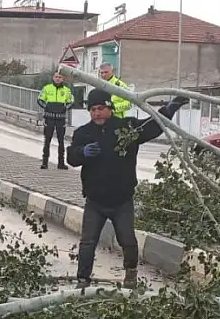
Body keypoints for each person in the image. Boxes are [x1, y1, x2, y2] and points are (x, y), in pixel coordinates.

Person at [66, 88, 188, 288]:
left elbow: (151, 127)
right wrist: (82, 152)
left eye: (100, 108)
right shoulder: (83, 133)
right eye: (92, 109)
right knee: (88, 242)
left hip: (122, 201)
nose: (96, 113)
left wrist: (169, 109)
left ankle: (130, 275)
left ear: (110, 108)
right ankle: (82, 280)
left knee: (128, 241)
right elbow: (71, 158)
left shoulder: (126, 127)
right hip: (95, 201)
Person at [37, 72, 73, 169]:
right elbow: (40, 99)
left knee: (61, 141)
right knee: (47, 140)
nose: (57, 79)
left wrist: (64, 108)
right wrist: (47, 107)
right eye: (56, 77)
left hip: (61, 119)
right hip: (49, 118)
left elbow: (71, 101)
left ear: (63, 79)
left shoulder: (67, 90)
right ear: (53, 78)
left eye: (60, 77)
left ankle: (61, 163)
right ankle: (45, 162)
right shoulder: (47, 88)